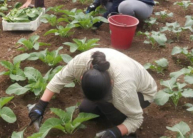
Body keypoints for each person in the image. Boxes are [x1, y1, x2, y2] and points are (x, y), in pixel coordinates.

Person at [28, 48, 157, 138]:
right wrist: (40, 105)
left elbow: (137, 118)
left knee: (109, 107)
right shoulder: (81, 63)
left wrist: (116, 132)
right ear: (82, 78)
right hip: (122, 82)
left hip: (142, 93)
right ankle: (108, 111)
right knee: (86, 109)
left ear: (111, 84)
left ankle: (128, 133)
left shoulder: (123, 90)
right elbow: (59, 78)